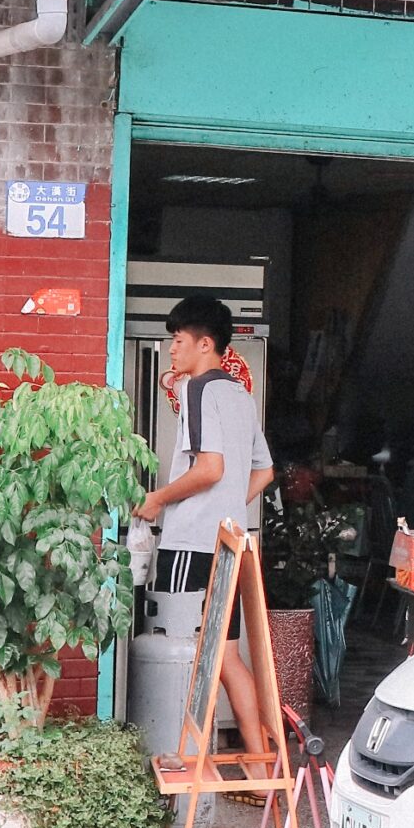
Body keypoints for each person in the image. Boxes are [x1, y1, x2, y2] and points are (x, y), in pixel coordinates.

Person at [135, 296, 276, 757]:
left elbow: (210, 467)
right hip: (228, 542)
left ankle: (180, 762)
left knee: (180, 654)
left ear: (204, 344)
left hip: (191, 542)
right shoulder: (238, 395)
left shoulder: (198, 391)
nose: (171, 350)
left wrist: (156, 498)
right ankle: (258, 767)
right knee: (227, 656)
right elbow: (263, 471)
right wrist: (230, 506)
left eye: (177, 341)